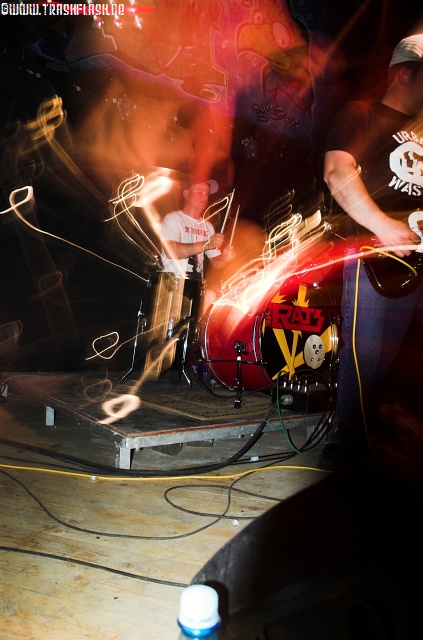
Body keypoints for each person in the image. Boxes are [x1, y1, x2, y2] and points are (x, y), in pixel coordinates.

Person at [318, 33, 423, 472]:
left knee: (401, 359)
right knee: (368, 355)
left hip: (418, 257)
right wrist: (384, 226)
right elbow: (337, 171)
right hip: (377, 258)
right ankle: (347, 445)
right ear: (405, 74)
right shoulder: (361, 115)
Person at [156, 178, 235, 375]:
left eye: (207, 194)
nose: (204, 197)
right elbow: (172, 251)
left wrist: (226, 258)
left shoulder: (207, 226)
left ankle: (197, 358)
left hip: (195, 283)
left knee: (209, 306)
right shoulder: (173, 219)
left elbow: (216, 262)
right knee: (174, 329)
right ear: (186, 193)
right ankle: (168, 366)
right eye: (199, 191)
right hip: (173, 281)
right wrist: (205, 245)